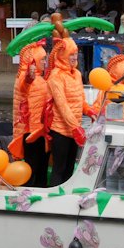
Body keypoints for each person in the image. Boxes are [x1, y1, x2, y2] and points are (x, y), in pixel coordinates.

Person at [47, 14, 90, 187]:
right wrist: (74, 127)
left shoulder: (77, 74)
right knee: (59, 168)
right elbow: (62, 105)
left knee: (70, 168)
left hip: (75, 128)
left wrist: (89, 110)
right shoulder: (55, 76)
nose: (74, 58)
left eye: (76, 54)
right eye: (71, 55)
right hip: (61, 130)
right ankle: (52, 199)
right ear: (63, 55)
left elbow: (80, 99)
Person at [9, 40, 51, 187]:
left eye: (45, 59)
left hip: (41, 130)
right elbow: (24, 86)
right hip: (30, 131)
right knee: (33, 166)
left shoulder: (41, 78)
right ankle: (30, 194)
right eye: (42, 59)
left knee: (42, 166)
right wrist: (28, 77)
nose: (45, 62)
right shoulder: (24, 76)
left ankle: (41, 190)